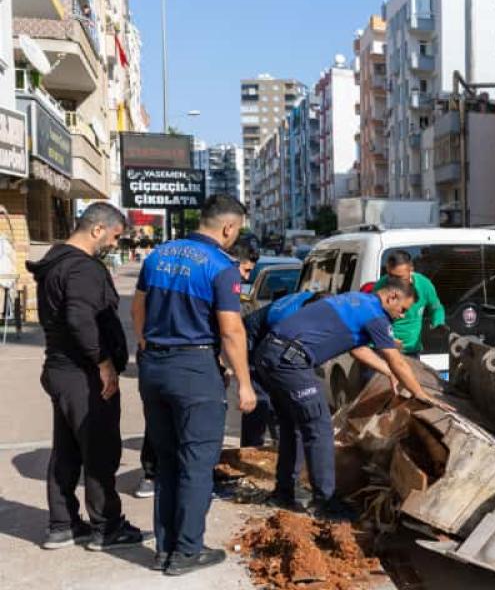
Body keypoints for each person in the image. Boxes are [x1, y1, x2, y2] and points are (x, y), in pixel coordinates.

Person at [132, 194, 257, 576]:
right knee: (197, 464)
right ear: (228, 227)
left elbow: (138, 308)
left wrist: (146, 345)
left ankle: (165, 548)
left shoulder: (158, 255)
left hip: (154, 367)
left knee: (167, 460)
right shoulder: (221, 266)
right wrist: (245, 384)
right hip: (194, 369)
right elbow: (231, 331)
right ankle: (187, 552)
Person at [255, 279, 432, 516]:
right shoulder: (376, 315)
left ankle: (283, 493)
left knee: (293, 425)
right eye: (403, 309)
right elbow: (396, 359)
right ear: (392, 297)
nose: (402, 316)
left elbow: (358, 349)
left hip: (270, 352)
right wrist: (420, 393)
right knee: (319, 427)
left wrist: (388, 373)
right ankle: (325, 503)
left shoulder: (356, 301)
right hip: (290, 361)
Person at [30, 203, 145, 552]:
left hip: (61, 369)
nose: (114, 244)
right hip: (83, 374)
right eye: (114, 236)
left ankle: (63, 524)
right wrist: (103, 363)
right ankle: (106, 528)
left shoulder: (56, 261)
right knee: (100, 451)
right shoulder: (81, 268)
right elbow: (80, 319)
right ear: (97, 229)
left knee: (67, 451)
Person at [238, 290, 328, 449]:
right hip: (255, 337)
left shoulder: (312, 300)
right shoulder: (285, 318)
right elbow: (275, 352)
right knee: (261, 396)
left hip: (275, 339)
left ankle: (281, 445)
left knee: (282, 392)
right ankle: (252, 447)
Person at [376, 250, 445, 359]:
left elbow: (436, 308)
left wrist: (438, 323)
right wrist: (388, 338)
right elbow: (374, 318)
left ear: (411, 270)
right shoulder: (381, 286)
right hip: (386, 349)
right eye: (391, 276)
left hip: (412, 350)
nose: (395, 281)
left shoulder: (424, 285)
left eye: (400, 277)